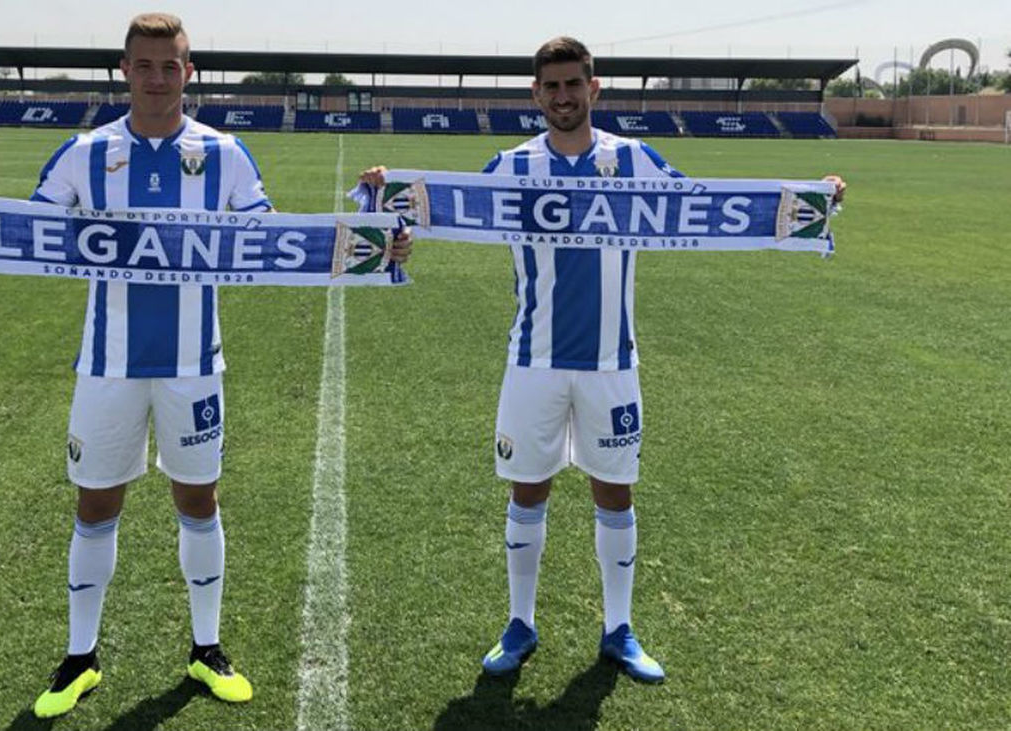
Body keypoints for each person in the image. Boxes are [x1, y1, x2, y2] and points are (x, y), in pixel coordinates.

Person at [0, 12, 410, 718]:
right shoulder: (84, 153)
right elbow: (18, 235)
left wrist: (375, 236)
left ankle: (206, 647)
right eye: (145, 65)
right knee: (96, 503)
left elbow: (276, 241)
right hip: (107, 365)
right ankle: (79, 657)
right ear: (124, 71)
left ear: (190, 73)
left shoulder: (226, 155)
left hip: (194, 363)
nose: (158, 78)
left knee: (199, 500)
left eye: (171, 65)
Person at [361, 37, 844, 683]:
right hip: (532, 360)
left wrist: (811, 201)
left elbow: (705, 210)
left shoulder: (633, 158)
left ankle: (618, 627)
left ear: (594, 89)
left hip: (612, 361)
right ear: (536, 94)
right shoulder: (510, 165)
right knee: (527, 487)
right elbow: (440, 213)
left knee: (614, 490)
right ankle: (520, 621)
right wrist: (386, 213)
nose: (563, 96)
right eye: (551, 86)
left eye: (573, 84)